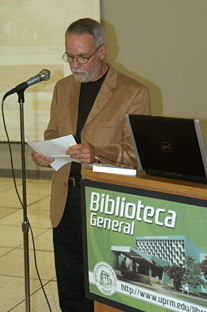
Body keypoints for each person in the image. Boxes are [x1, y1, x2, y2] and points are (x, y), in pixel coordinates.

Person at [31, 18, 151, 312]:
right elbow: (53, 132)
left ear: (102, 51)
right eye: (69, 56)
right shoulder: (62, 88)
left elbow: (138, 153)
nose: (75, 65)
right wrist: (47, 153)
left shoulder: (134, 92)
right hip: (66, 198)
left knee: (105, 285)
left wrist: (97, 152)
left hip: (105, 203)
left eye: (82, 57)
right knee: (70, 285)